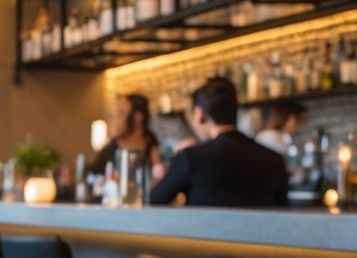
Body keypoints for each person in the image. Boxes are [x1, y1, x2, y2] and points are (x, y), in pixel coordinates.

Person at [148, 78, 288, 207]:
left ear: (199, 115)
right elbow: (283, 214)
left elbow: (153, 201)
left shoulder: (190, 158)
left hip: (201, 234)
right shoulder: (275, 160)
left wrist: (173, 162)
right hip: (259, 234)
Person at [90, 94, 166, 180]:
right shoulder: (113, 145)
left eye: (122, 113)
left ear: (139, 117)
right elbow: (94, 172)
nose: (118, 120)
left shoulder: (150, 141)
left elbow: (157, 167)